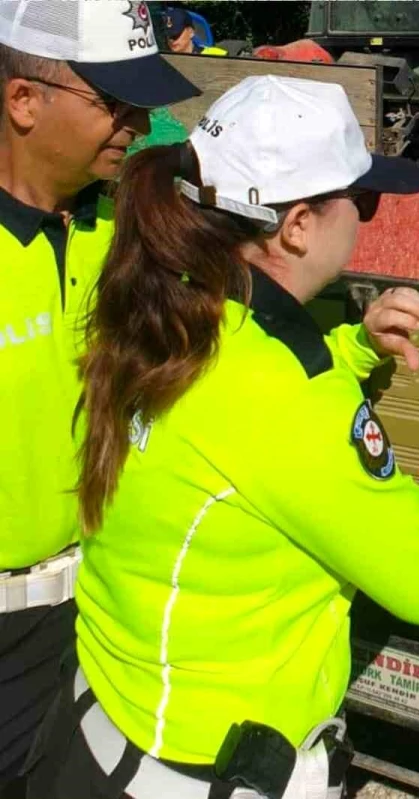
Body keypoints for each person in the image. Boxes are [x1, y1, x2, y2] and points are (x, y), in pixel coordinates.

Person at [24, 74, 419, 799]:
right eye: (361, 200)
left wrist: (354, 347)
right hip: (190, 775)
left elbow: (237, 423)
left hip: (101, 735)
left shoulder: (165, 310)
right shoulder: (285, 394)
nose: (366, 217)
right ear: (297, 225)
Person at [0, 1, 199, 796]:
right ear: (24, 100)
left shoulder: (120, 233)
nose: (138, 123)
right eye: (116, 103)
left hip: (100, 616)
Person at [161, 8, 227, 56]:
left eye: (176, 35)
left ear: (191, 32)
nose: (171, 40)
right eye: (168, 36)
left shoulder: (216, 56)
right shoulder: (162, 61)